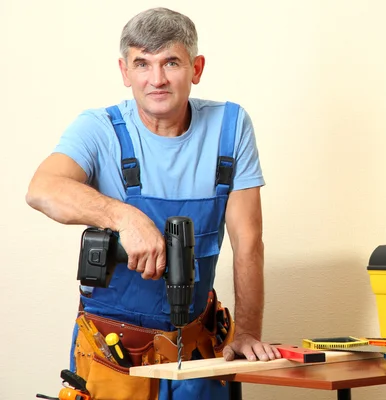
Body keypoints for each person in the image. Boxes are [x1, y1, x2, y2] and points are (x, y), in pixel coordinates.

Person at [26, 7, 280, 400]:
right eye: (142, 63)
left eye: (171, 62)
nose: (156, 79)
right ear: (125, 72)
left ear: (196, 68)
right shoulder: (100, 129)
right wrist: (125, 218)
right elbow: (42, 189)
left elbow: (249, 243)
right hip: (113, 355)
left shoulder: (230, 127)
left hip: (197, 350)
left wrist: (247, 332)